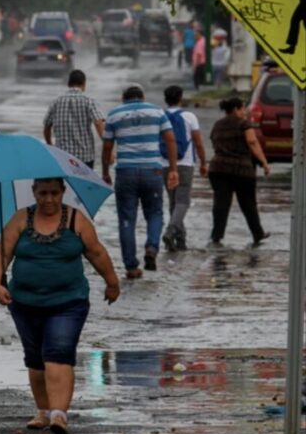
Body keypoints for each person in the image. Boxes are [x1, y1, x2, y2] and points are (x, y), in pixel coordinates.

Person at [0, 178, 119, 434]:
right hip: (24, 303)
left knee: (58, 352)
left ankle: (59, 414)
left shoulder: (76, 220)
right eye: (43, 193)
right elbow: (2, 253)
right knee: (36, 359)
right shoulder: (19, 219)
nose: (49, 199)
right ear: (34, 193)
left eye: (54, 193)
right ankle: (43, 411)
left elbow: (96, 253)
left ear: (63, 192)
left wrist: (112, 282)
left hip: (68, 302)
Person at [102, 84, 179, 279]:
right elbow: (170, 139)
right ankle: (152, 247)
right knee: (155, 213)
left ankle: (131, 267)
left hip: (125, 172)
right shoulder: (156, 111)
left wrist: (105, 172)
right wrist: (173, 169)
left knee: (127, 219)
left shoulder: (114, 114)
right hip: (152, 171)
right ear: (142, 97)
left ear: (123, 98)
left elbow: (107, 146)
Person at [208, 97, 271, 246]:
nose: (245, 111)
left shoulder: (217, 124)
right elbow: (252, 142)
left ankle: (216, 236)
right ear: (236, 109)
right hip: (241, 170)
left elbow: (213, 141)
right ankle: (258, 234)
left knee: (221, 203)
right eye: (243, 108)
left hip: (218, 168)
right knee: (248, 203)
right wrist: (264, 162)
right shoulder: (243, 124)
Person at [161, 85, 208, 251]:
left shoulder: (161, 116)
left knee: (173, 203)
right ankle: (170, 232)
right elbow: (198, 142)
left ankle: (180, 241)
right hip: (185, 164)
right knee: (183, 202)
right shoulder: (189, 116)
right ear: (180, 97)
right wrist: (203, 162)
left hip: (165, 164)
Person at [43, 70, 106, 169]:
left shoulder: (56, 102)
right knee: (85, 184)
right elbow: (99, 124)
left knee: (65, 184)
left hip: (62, 157)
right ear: (84, 84)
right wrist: (108, 149)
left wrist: (50, 145)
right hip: (85, 158)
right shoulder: (89, 101)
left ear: (68, 84)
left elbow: (47, 126)